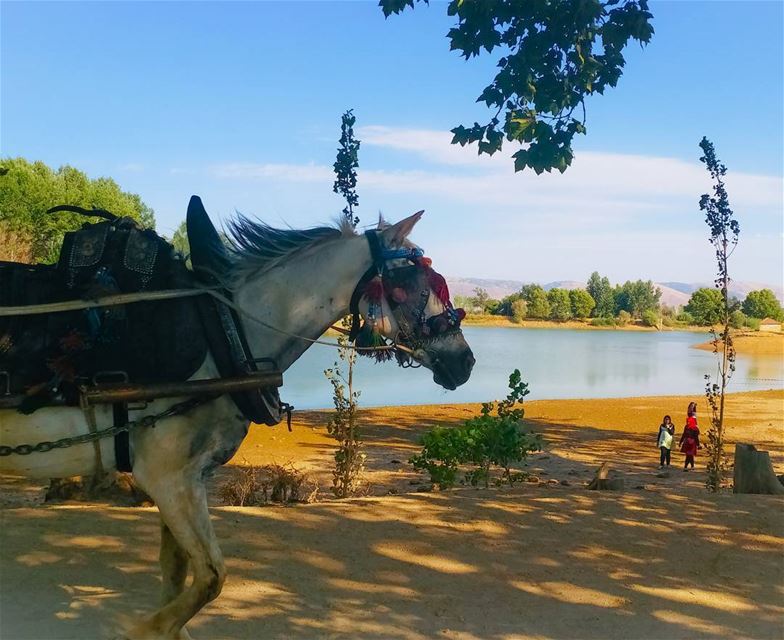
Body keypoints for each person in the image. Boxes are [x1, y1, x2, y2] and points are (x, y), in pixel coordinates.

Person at [679, 401, 700, 471]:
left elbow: (696, 436)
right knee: (689, 455)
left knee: (689, 455)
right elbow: (684, 434)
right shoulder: (688, 426)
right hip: (688, 441)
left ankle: (687, 467)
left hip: (691, 442)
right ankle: (690, 467)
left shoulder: (694, 427)